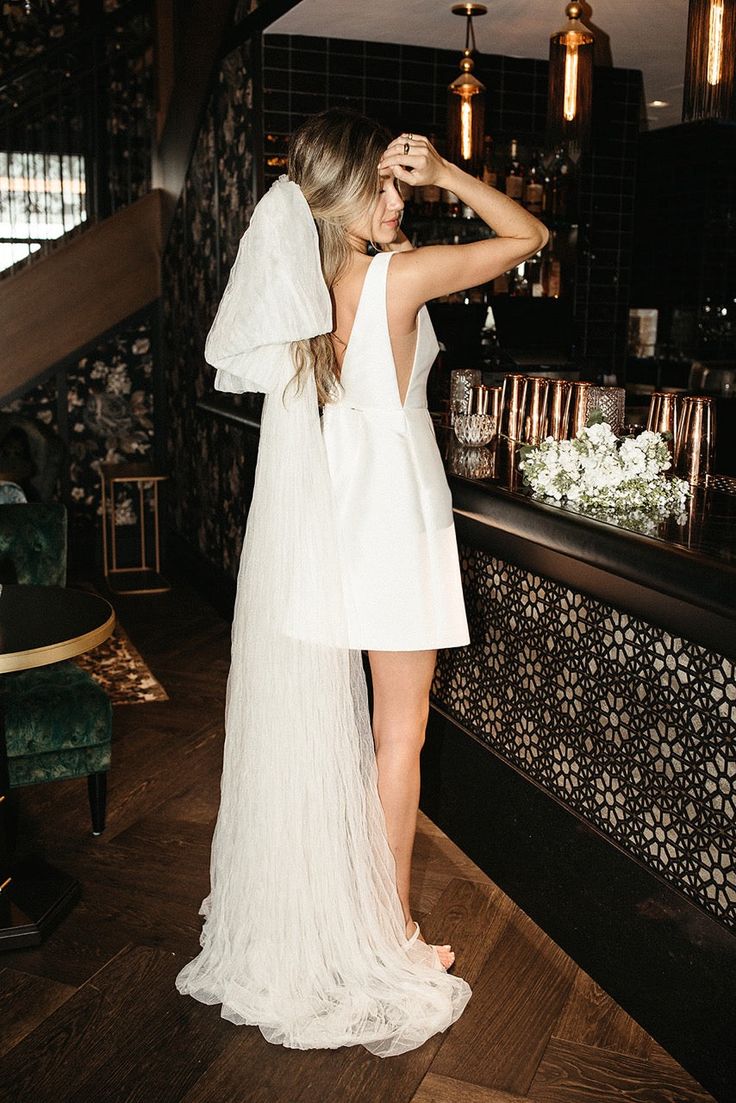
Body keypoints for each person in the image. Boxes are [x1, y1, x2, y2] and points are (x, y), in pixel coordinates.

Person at [175, 108, 548, 1058]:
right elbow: (530, 237)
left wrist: (410, 197)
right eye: (383, 185)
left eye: (402, 184)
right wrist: (452, 172)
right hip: (394, 524)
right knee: (400, 733)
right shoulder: (398, 277)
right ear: (344, 196)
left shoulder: (310, 289)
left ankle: (345, 911)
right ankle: (389, 933)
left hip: (333, 523)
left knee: (347, 727)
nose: (399, 198)